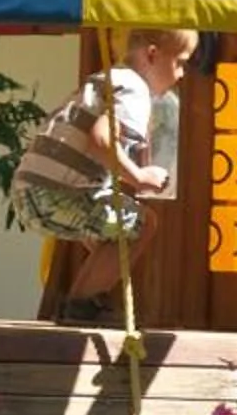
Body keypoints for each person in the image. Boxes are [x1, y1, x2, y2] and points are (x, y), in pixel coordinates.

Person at [10, 29, 195, 318]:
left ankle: (89, 301)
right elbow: (102, 139)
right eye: (181, 62)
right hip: (54, 193)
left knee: (110, 233)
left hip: (30, 190)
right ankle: (81, 306)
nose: (183, 74)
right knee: (144, 223)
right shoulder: (134, 88)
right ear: (152, 54)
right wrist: (139, 176)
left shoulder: (110, 79)